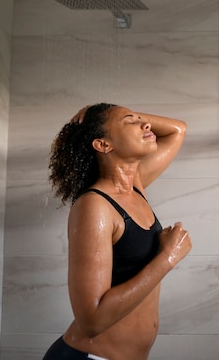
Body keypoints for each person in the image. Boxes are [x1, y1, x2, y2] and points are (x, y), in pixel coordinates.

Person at [43, 103, 192, 360]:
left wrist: (96, 111)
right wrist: (167, 258)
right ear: (103, 145)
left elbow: (178, 129)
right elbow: (91, 321)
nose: (146, 124)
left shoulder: (134, 187)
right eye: (131, 121)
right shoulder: (94, 206)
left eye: (140, 119)